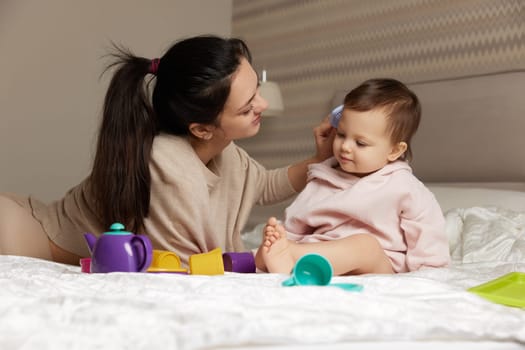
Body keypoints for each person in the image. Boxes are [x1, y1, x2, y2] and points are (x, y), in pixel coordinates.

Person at [0, 35, 334, 267]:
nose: (262, 104)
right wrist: (257, 260)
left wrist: (320, 162)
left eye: (257, 91)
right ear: (202, 129)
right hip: (28, 235)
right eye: (247, 107)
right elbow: (186, 265)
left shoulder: (227, 154)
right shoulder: (168, 165)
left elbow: (264, 184)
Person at [255, 78, 451, 275]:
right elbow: (295, 225)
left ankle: (291, 257)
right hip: (318, 251)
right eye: (341, 135)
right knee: (266, 250)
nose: (346, 147)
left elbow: (429, 243)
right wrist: (278, 239)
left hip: (376, 265)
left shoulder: (405, 187)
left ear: (394, 150)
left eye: (361, 143)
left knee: (365, 246)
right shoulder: (322, 178)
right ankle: (287, 258)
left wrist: (429, 273)